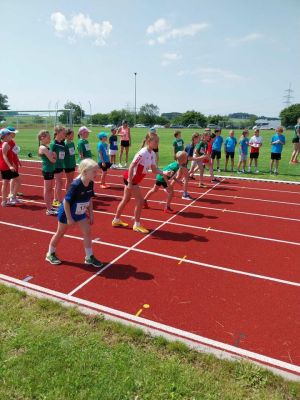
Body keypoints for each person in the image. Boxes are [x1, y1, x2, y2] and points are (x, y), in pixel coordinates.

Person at [46, 158, 102, 267]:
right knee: (60, 233)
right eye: (94, 171)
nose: (97, 173)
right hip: (67, 212)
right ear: (85, 172)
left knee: (87, 231)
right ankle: (50, 253)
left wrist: (91, 214)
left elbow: (89, 199)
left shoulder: (90, 183)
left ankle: (89, 257)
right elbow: (66, 202)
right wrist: (69, 218)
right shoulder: (76, 185)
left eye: (97, 171)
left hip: (80, 212)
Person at [112, 132, 164, 234]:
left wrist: (164, 172)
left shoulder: (152, 153)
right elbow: (131, 166)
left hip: (133, 180)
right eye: (156, 141)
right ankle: (137, 224)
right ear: (149, 141)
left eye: (158, 141)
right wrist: (130, 182)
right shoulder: (142, 153)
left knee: (126, 199)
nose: (157, 143)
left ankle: (116, 220)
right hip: (131, 179)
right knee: (140, 201)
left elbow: (154, 170)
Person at [38, 130, 57, 215]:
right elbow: (52, 160)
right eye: (48, 137)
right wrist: (54, 156)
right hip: (47, 169)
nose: (50, 139)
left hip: (50, 169)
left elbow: (53, 157)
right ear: (42, 138)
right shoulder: (43, 148)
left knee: (49, 189)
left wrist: (54, 156)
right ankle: (49, 209)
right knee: (47, 189)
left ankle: (50, 207)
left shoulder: (47, 147)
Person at [0, 128, 21, 207]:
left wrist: (13, 163)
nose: (10, 136)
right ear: (5, 136)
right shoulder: (5, 144)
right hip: (7, 167)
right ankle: (11, 198)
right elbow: (5, 156)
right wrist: (10, 166)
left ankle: (5, 201)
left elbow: (8, 156)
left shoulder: (2, 143)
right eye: (9, 135)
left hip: (4, 166)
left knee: (5, 184)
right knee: (18, 181)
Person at [50, 125, 66, 207]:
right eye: (63, 133)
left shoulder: (62, 143)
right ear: (58, 133)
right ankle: (56, 200)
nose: (65, 135)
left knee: (59, 183)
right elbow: (50, 155)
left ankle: (57, 199)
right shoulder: (53, 144)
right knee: (58, 183)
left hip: (61, 165)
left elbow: (62, 155)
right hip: (55, 166)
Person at [6, 125, 22, 202]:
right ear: (9, 133)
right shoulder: (8, 142)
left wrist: (18, 161)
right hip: (12, 163)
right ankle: (11, 194)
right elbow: (8, 155)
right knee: (14, 178)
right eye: (13, 133)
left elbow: (15, 152)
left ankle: (13, 193)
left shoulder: (12, 141)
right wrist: (12, 163)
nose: (15, 134)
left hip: (14, 162)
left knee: (15, 179)